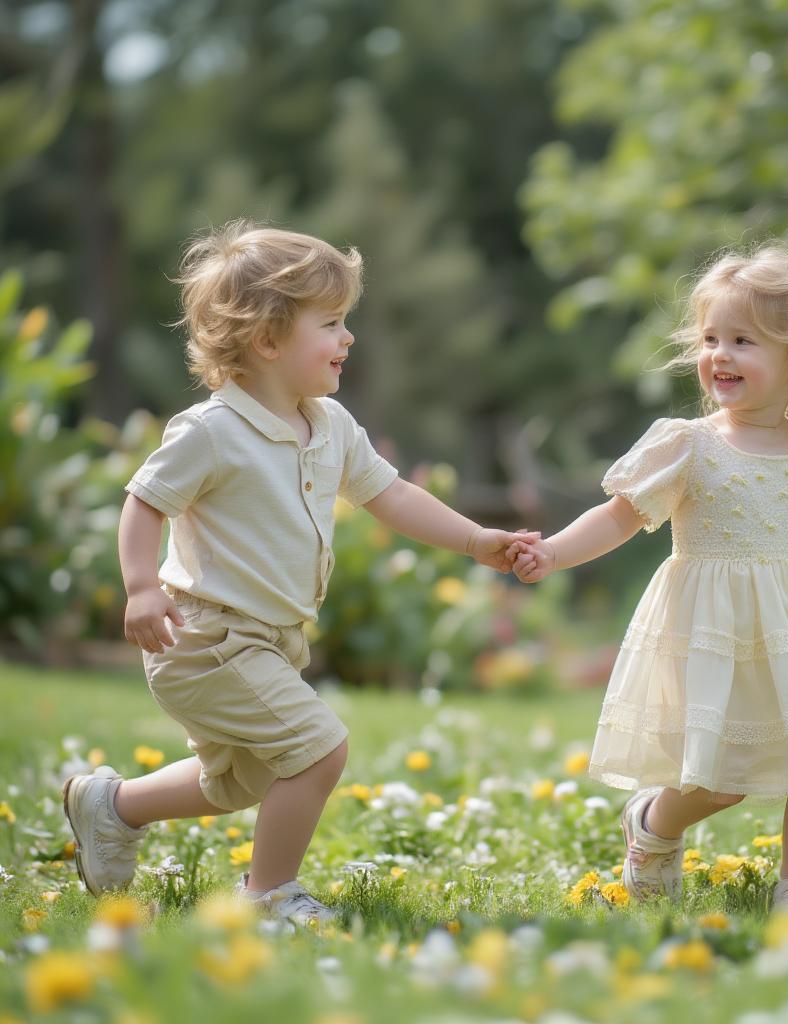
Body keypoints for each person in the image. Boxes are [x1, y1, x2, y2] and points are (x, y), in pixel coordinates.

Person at [62, 220, 536, 926]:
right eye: (333, 323)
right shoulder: (211, 431)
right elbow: (143, 503)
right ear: (269, 339)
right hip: (206, 638)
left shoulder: (332, 424)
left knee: (237, 782)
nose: (348, 339)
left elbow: (391, 494)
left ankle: (112, 808)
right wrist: (140, 586)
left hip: (272, 638)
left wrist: (476, 541)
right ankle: (270, 896)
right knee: (317, 751)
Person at [511, 245, 788, 919]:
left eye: (744, 341)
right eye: (711, 338)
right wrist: (553, 551)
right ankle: (655, 825)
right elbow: (619, 515)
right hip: (710, 629)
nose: (719, 354)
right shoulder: (688, 445)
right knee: (718, 777)